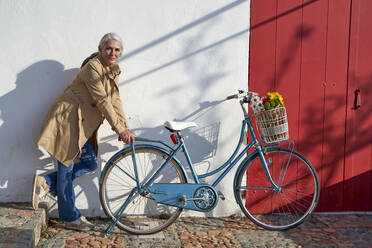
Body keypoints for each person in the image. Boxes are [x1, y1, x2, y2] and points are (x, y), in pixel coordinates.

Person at [32, 33, 135, 231]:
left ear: (120, 52)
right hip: (68, 118)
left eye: (117, 49)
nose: (112, 53)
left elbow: (115, 100)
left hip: (82, 122)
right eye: (108, 48)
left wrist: (124, 127)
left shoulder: (113, 70)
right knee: (67, 164)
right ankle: (70, 216)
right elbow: (103, 101)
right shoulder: (92, 68)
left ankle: (46, 181)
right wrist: (119, 129)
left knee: (89, 163)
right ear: (100, 49)